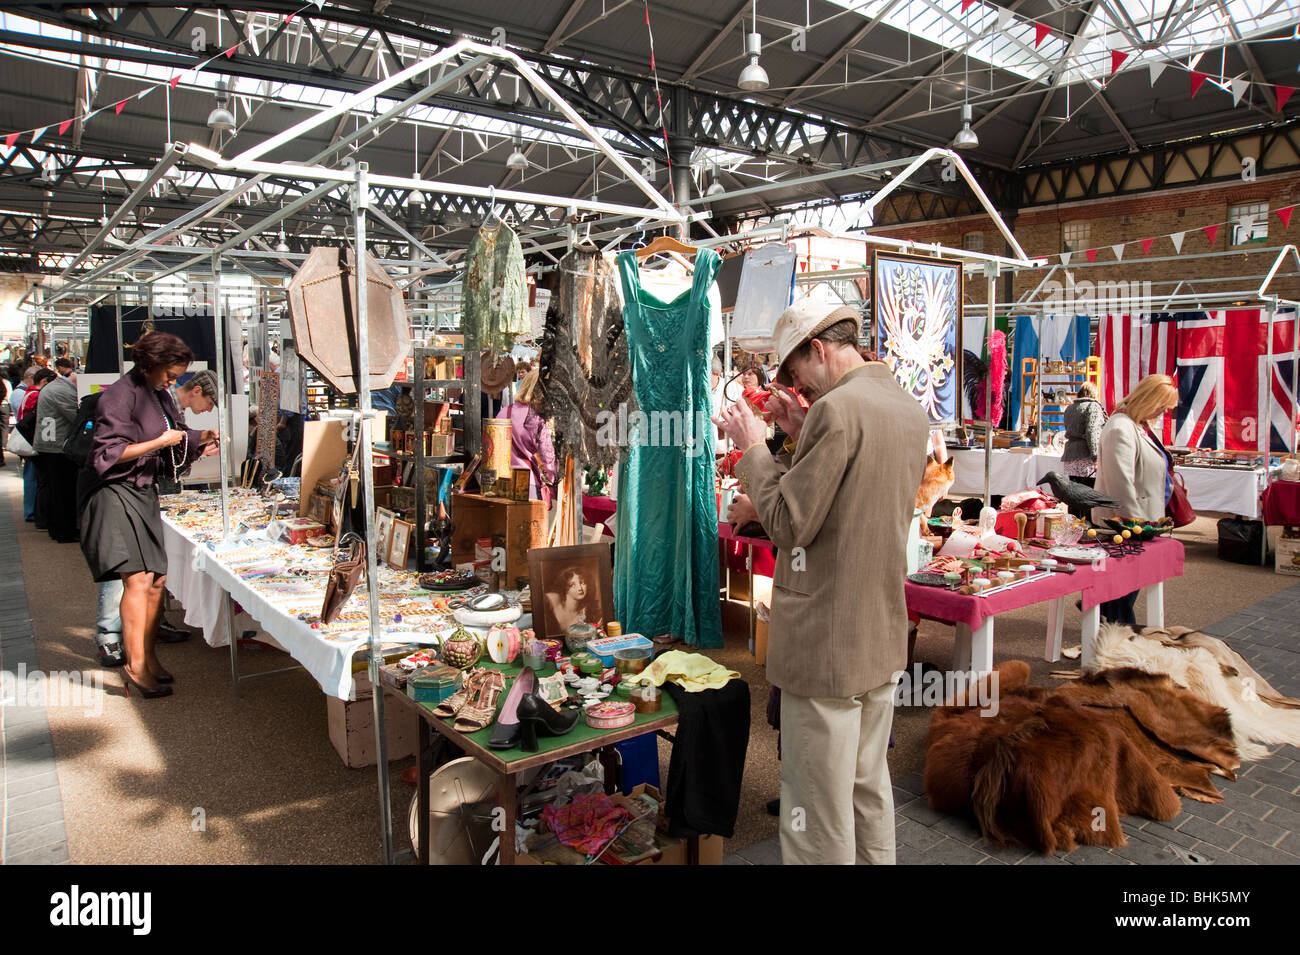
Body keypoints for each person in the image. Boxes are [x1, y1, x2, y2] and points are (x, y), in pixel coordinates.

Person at [713, 299, 928, 865]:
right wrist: (797, 432)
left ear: (818, 348)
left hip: (825, 641)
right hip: (878, 631)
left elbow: (789, 523)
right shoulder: (903, 406)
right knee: (866, 790)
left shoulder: (838, 411)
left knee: (816, 808)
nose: (795, 385)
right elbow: (845, 498)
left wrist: (755, 448)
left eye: (793, 372)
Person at [77, 332, 217, 698]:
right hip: (112, 493)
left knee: (157, 579)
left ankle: (149, 658)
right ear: (151, 365)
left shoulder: (159, 395)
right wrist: (160, 443)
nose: (174, 381)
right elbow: (107, 455)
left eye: (177, 376)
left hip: (141, 492)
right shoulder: (118, 396)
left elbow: (178, 435)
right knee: (137, 580)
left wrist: (201, 439)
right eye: (170, 374)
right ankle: (135, 665)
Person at [1092, 373, 1178, 624]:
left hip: (1140, 517)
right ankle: (1118, 625)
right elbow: (1121, 482)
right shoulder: (1121, 428)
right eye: (1162, 406)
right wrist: (1135, 522)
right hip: (1126, 522)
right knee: (1126, 583)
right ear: (1150, 400)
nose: (1163, 412)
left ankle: (1105, 612)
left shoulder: (1138, 425)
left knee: (1130, 582)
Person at [495, 366, 556, 504]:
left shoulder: (504, 412)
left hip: (501, 481)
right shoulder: (538, 419)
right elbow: (548, 458)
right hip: (528, 483)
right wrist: (552, 478)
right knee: (526, 524)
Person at [33, 365, 80, 542]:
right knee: (62, 492)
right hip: (57, 447)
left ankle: (57, 528)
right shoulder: (62, 391)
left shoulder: (55, 387)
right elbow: (75, 417)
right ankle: (64, 531)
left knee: (55, 490)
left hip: (50, 445)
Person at [21, 368, 55, 527]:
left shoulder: (28, 394)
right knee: (38, 481)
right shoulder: (36, 396)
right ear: (43, 382)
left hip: (31, 441)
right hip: (35, 441)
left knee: (34, 479)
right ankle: (35, 515)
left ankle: (33, 513)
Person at [1062, 381, 1105, 483]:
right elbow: (1092, 432)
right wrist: (1096, 457)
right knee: (1089, 494)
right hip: (1086, 457)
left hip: (1070, 456)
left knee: (1074, 493)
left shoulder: (1069, 408)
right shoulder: (1093, 406)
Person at [545, 567, 602, 633]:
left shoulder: (585, 613)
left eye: (582, 583)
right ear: (565, 586)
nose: (579, 588)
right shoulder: (551, 599)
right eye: (572, 585)